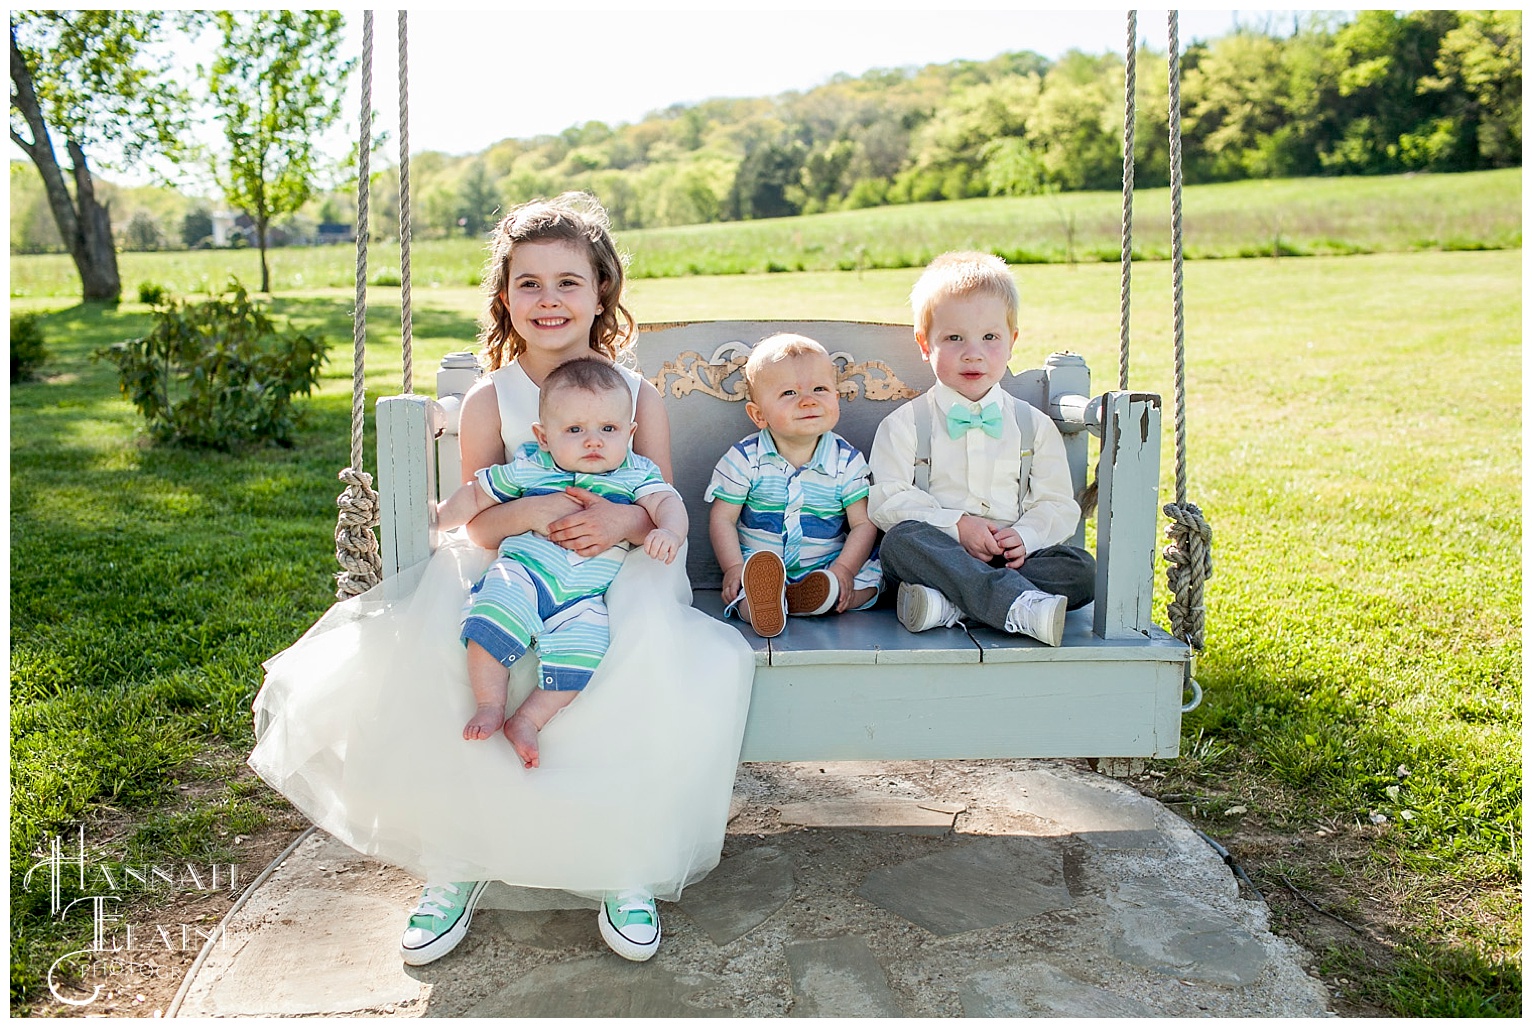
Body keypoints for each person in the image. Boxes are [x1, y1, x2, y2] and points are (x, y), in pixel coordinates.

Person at [249, 193, 753, 970]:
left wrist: (622, 525)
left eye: (568, 283)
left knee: (633, 645)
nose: (549, 300)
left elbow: (661, 502)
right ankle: (458, 859)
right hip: (505, 562)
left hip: (616, 569)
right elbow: (474, 524)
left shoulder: (636, 394)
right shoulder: (492, 397)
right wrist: (537, 508)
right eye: (529, 284)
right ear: (504, 297)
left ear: (601, 293)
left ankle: (624, 861)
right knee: (457, 646)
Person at [435, 357, 686, 766]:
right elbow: (477, 494)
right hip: (526, 572)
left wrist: (669, 531)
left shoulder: (636, 473)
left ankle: (529, 719)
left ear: (630, 432)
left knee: (586, 647)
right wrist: (437, 520)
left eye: (609, 429)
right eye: (575, 430)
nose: (593, 441)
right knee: (494, 608)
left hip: (586, 594)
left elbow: (668, 502)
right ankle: (490, 703)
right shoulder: (532, 465)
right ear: (544, 436)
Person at [867, 251, 1095, 645]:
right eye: (954, 338)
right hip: (938, 555)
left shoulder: (1032, 426)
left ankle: (949, 607)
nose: (973, 353)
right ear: (925, 344)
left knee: (1081, 570)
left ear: (1012, 343)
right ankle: (1016, 606)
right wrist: (957, 525)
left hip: (1012, 558)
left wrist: (1024, 536)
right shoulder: (906, 424)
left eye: (990, 338)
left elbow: (1057, 505)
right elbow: (887, 500)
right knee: (899, 543)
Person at [706, 333, 881, 638]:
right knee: (745, 588)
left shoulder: (847, 461)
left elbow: (863, 524)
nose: (808, 400)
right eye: (789, 393)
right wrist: (734, 567)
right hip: (762, 568)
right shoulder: (745, 458)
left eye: (820, 389)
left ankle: (826, 597)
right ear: (759, 414)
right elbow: (723, 518)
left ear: (835, 398)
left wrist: (844, 570)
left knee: (873, 577)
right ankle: (762, 606)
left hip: (827, 566)